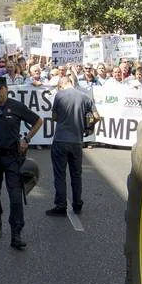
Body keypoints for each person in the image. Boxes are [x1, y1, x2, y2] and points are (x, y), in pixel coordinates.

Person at [0, 75, 43, 250]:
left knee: (15, 197)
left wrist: (26, 139)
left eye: (0, 89)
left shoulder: (16, 107)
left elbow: (38, 121)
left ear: (6, 89)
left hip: (13, 158)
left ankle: (16, 233)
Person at [46, 75, 95, 217]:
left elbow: (54, 117)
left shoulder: (59, 96)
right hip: (77, 141)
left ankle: (61, 205)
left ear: (62, 85)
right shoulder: (85, 97)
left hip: (61, 139)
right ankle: (77, 203)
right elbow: (96, 116)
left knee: (60, 174)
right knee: (76, 174)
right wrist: (87, 127)